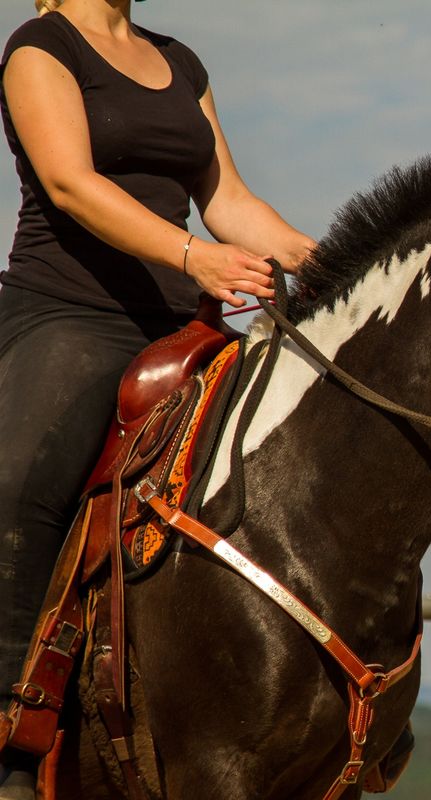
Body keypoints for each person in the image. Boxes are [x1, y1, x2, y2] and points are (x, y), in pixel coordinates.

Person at [0, 0, 316, 794]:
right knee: (18, 487)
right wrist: (195, 257)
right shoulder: (40, 48)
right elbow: (70, 184)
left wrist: (326, 260)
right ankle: (8, 725)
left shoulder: (181, 61)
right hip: (70, 312)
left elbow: (230, 202)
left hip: (182, 325)